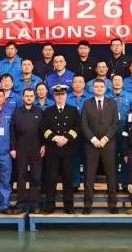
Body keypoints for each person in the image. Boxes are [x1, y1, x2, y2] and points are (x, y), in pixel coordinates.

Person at [40, 85, 81, 214]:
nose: (60, 97)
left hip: (68, 150)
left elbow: (77, 127)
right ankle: (49, 205)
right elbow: (43, 128)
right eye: (57, 95)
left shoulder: (73, 110)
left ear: (66, 95)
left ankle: (68, 206)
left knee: (68, 179)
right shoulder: (48, 111)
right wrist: (55, 137)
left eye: (62, 94)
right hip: (52, 150)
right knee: (51, 179)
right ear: (54, 96)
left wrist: (66, 138)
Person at [81, 78, 119, 213]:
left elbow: (115, 123)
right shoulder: (87, 103)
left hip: (108, 144)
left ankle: (113, 204)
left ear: (105, 88)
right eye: (96, 87)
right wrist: (93, 139)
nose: (98, 89)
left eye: (101, 87)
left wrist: (105, 138)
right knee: (89, 176)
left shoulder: (113, 103)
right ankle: (87, 205)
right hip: (91, 145)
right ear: (92, 88)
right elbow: (83, 124)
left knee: (111, 175)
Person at [11, 88, 44, 214]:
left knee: (36, 177)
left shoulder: (40, 112)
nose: (29, 98)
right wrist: (13, 148)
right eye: (27, 96)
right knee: (21, 177)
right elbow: (12, 132)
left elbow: (44, 130)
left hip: (36, 148)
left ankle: (35, 204)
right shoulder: (17, 112)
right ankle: (20, 204)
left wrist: (44, 145)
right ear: (22, 97)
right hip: (21, 148)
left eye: (31, 96)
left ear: (34, 97)